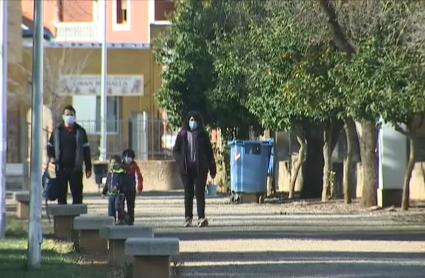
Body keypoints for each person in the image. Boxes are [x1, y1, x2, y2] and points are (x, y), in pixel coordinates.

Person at [173, 111, 216, 228]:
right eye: (191, 120)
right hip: (186, 170)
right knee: (188, 193)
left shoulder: (203, 135)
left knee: (199, 193)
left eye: (195, 120)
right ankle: (188, 218)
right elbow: (175, 150)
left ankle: (201, 217)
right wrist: (180, 160)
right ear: (188, 121)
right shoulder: (182, 134)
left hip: (200, 169)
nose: (193, 122)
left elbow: (209, 153)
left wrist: (212, 168)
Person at [47, 105, 92, 204]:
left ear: (75, 116)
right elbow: (50, 146)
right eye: (67, 114)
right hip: (61, 168)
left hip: (76, 168)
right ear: (63, 116)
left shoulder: (80, 131)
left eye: (71, 115)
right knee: (61, 195)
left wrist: (88, 167)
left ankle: (76, 217)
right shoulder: (57, 131)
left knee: (77, 195)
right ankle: (63, 218)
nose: (69, 117)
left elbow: (86, 150)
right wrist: (51, 157)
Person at [102, 155, 128, 224]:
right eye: (112, 162)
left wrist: (117, 187)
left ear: (119, 164)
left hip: (119, 194)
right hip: (111, 194)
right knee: (111, 208)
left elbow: (122, 182)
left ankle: (122, 218)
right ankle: (111, 220)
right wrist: (104, 192)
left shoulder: (121, 172)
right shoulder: (110, 173)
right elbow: (107, 183)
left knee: (118, 207)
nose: (113, 164)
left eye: (115, 163)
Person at [121, 148, 143, 225]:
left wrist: (139, 188)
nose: (127, 158)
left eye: (129, 156)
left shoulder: (135, 167)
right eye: (126, 156)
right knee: (120, 205)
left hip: (131, 189)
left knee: (131, 206)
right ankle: (122, 218)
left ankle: (131, 220)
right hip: (122, 190)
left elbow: (139, 178)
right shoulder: (120, 166)